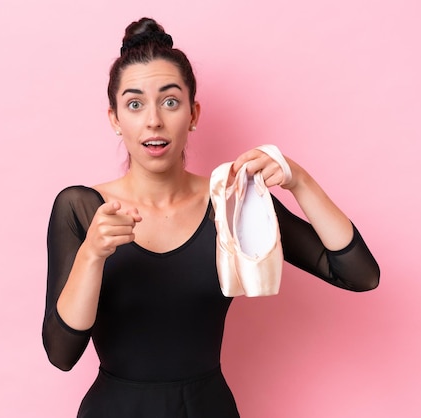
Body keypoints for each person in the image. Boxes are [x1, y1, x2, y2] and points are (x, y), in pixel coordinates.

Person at [42, 17, 380, 418]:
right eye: (135, 104)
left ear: (193, 113)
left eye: (170, 101)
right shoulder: (81, 209)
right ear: (116, 119)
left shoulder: (233, 200)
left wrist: (300, 182)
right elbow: (61, 354)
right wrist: (91, 255)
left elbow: (359, 274)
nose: (154, 120)